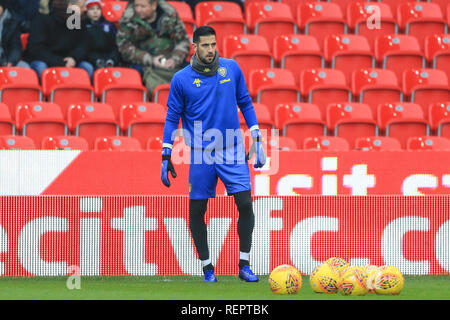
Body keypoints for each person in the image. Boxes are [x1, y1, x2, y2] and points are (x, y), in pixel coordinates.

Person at [160, 26, 266, 283]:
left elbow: (245, 102)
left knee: (245, 204)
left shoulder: (231, 69)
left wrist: (257, 136)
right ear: (194, 47)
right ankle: (207, 267)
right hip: (201, 154)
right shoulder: (181, 79)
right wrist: (166, 154)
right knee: (197, 210)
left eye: (213, 45)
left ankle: (244, 264)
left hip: (231, 148)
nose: (210, 50)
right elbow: (172, 117)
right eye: (205, 45)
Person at [116, 0, 190, 95]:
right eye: (136, 6)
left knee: (197, 72)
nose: (138, 9)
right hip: (143, 63)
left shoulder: (170, 15)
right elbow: (124, 47)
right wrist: (150, 59)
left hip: (171, 61)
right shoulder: (128, 19)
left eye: (142, 6)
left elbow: (182, 41)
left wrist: (174, 59)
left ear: (154, 5)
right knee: (134, 76)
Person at [25, 0, 94, 79]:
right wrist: (60, 62)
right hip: (45, 60)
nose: (86, 9)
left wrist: (74, 58)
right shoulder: (42, 19)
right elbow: (36, 48)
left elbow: (83, 44)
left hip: (70, 60)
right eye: (82, 6)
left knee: (87, 67)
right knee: (41, 67)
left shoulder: (79, 19)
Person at [85, 0, 121, 69]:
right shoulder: (83, 26)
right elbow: (85, 48)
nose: (95, 12)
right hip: (92, 60)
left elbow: (115, 46)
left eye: (98, 9)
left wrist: (113, 59)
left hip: (109, 58)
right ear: (87, 11)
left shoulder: (109, 25)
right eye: (92, 9)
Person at [0, 0, 30, 68]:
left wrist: (11, 62)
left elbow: (16, 47)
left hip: (6, 60)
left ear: (3, 8)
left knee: (24, 67)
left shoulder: (12, 23)